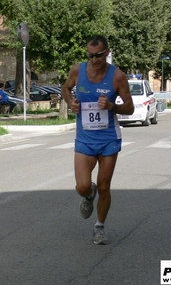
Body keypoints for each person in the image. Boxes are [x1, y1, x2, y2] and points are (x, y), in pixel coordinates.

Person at [62, 35, 134, 245]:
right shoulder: (77, 71)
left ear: (107, 52)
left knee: (104, 187)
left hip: (108, 138)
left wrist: (112, 106)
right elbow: (65, 88)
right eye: (91, 56)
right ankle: (87, 194)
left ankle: (99, 226)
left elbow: (129, 108)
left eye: (99, 55)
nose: (95, 60)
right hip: (85, 138)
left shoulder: (117, 76)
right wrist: (71, 102)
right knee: (82, 186)